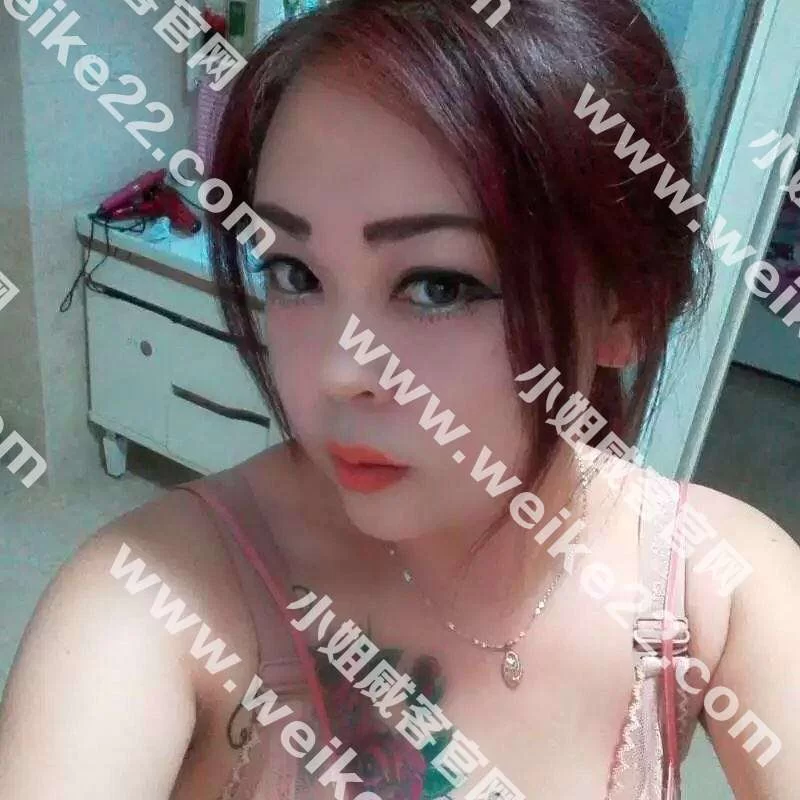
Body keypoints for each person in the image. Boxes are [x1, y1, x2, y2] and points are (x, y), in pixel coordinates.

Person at [1, 1, 798, 798]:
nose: (337, 372)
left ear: (623, 310)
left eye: (437, 285)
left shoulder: (719, 587)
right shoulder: (153, 599)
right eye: (295, 273)